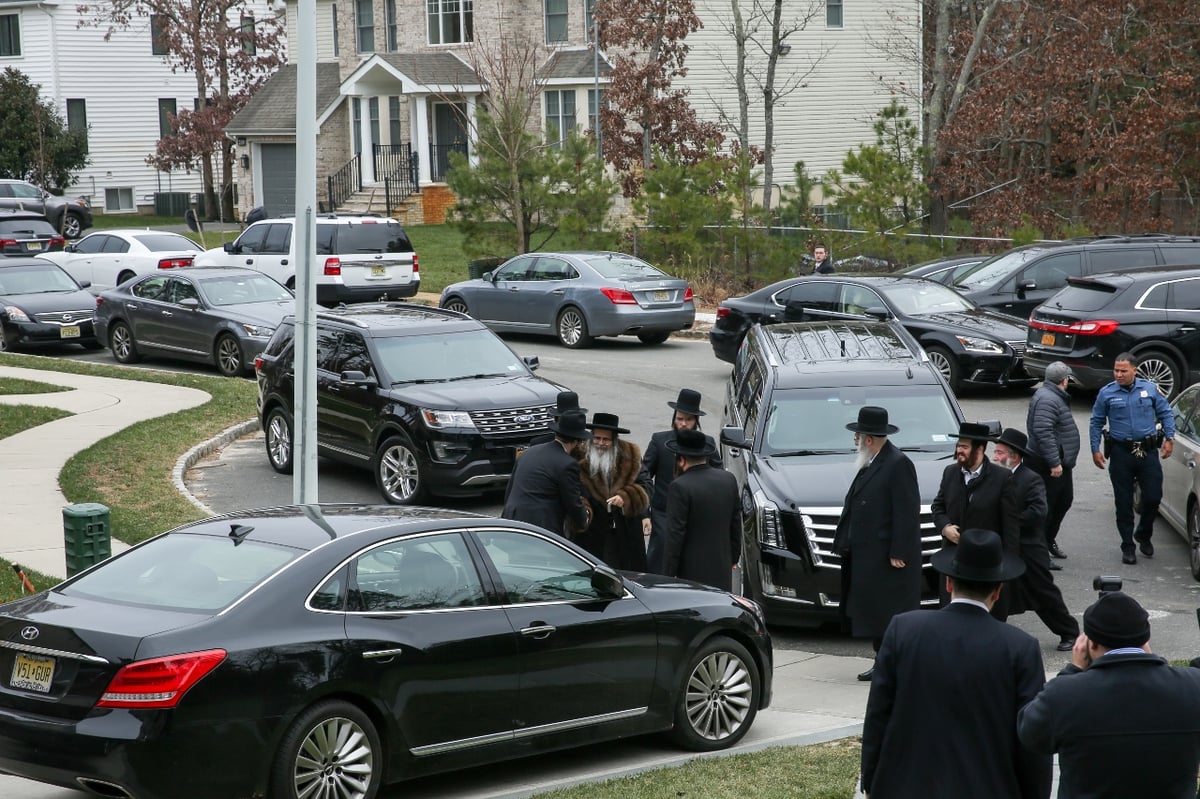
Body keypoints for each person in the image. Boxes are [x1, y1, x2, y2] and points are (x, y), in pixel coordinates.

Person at [860, 527, 1049, 799]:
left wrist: (871, 776)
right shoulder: (1020, 648)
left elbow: (879, 712)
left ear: (948, 583)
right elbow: (1030, 740)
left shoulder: (903, 629)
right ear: (997, 590)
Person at [1018, 591, 1200, 798]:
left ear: (1091, 644)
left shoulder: (1064, 695)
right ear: (1145, 639)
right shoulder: (1192, 687)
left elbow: (1030, 735)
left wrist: (1073, 669)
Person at [831, 406, 921, 682]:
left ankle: (889, 662)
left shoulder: (897, 463)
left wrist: (899, 550)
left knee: (888, 613)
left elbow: (907, 510)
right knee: (874, 611)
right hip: (867, 553)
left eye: (858, 436)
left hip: (886, 556)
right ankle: (882, 660)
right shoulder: (872, 461)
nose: (855, 440)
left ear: (869, 439)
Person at [991, 428, 1079, 651]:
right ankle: (990, 634)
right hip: (1002, 546)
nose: (995, 457)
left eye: (1000, 453)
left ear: (1015, 456)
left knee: (1042, 591)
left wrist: (1010, 521)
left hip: (1028, 548)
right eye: (995, 452)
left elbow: (1039, 511)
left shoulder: (1030, 479)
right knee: (997, 592)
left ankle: (1069, 631)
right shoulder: (993, 477)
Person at [1089, 352, 1175, 565]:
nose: (1118, 374)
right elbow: (1096, 422)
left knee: (1153, 497)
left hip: (1146, 451)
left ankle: (1143, 534)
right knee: (1123, 501)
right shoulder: (1106, 393)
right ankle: (1127, 545)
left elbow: (1165, 413)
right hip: (1121, 452)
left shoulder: (1149, 389)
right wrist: (1095, 449)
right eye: (1116, 370)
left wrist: (1169, 437)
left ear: (1135, 370)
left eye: (1123, 371)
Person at [931, 421, 1017, 603]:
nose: (958, 450)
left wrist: (1007, 568)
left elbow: (1010, 527)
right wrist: (945, 527)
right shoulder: (950, 473)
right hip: (953, 562)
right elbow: (938, 507)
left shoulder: (1002, 479)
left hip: (984, 566)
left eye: (964, 446)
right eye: (958, 445)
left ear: (979, 449)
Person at [640, 389, 722, 573]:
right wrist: (645, 514)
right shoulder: (659, 441)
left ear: (696, 421)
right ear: (674, 418)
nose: (683, 424)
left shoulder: (707, 445)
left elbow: (719, 479)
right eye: (680, 419)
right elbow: (644, 477)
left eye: (689, 420)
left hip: (697, 516)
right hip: (663, 516)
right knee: (659, 566)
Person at [661, 428, 741, 591]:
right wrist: (733, 557)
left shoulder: (680, 487)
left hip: (691, 576)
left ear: (681, 460)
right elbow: (735, 523)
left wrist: (667, 577)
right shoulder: (728, 479)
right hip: (721, 568)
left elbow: (674, 536)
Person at [574, 412, 650, 571]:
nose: (600, 443)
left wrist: (626, 497)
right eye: (596, 438)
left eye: (606, 439)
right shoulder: (579, 455)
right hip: (592, 532)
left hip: (625, 530)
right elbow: (573, 489)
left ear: (614, 440)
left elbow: (647, 485)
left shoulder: (631, 454)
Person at [502, 409, 590, 535]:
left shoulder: (528, 452)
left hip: (512, 520)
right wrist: (583, 520)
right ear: (576, 441)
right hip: (541, 527)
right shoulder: (567, 464)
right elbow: (573, 503)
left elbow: (509, 491)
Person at [1026, 361, 1080, 568]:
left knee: (1064, 501)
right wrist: (1054, 462)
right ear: (1064, 380)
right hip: (1049, 464)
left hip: (1058, 463)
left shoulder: (1052, 396)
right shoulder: (1048, 399)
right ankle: (1040, 551)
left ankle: (1048, 541)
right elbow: (1043, 432)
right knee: (1046, 508)